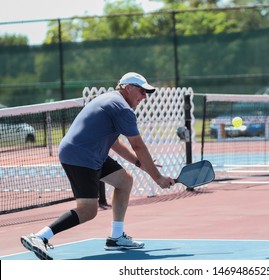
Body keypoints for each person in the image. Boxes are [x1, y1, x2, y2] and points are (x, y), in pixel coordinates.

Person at [20, 72, 175, 260]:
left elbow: (114, 143)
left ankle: (116, 237)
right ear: (128, 88)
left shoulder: (109, 100)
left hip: (89, 152)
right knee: (88, 210)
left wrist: (138, 163)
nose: (144, 96)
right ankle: (40, 237)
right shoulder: (123, 109)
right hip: (82, 155)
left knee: (125, 181)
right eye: (142, 91)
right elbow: (138, 145)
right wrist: (157, 178)